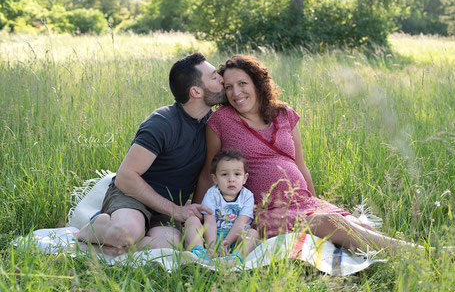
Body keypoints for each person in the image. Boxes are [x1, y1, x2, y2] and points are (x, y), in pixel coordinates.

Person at [193, 54, 426, 255]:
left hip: (301, 201)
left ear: (257, 84)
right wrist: (200, 216)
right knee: (331, 224)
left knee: (356, 226)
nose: (236, 93)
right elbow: (208, 173)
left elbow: (300, 166)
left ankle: (403, 257)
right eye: (228, 87)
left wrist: (316, 204)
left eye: (242, 83)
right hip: (263, 212)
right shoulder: (221, 120)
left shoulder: (284, 114)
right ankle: (423, 255)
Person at [74, 52, 226, 256]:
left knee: (165, 249)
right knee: (126, 234)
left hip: (169, 206)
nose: (222, 80)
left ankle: (113, 243)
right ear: (196, 91)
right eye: (215, 77)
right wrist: (176, 210)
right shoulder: (162, 122)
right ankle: (91, 231)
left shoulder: (212, 124)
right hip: (133, 196)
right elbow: (126, 178)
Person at [185, 150, 258, 262]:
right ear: (215, 179)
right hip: (211, 236)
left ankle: (235, 257)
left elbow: (241, 222)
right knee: (192, 221)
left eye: (237, 174)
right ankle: (199, 252)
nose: (231, 179)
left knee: (252, 234)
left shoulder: (247, 196)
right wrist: (211, 246)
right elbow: (209, 222)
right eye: (224, 174)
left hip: (235, 238)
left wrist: (227, 242)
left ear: (245, 178)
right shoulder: (212, 193)